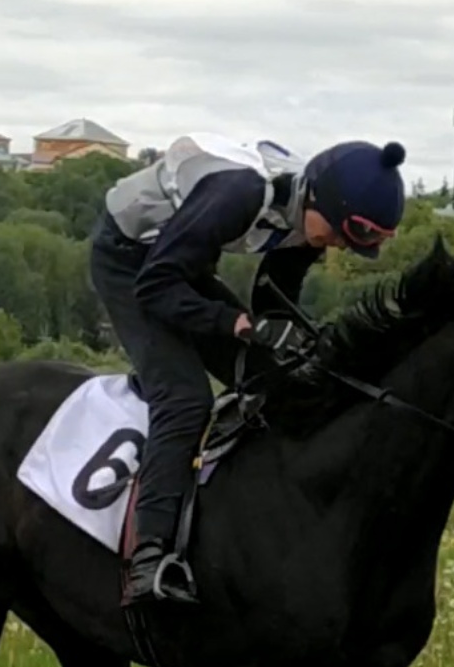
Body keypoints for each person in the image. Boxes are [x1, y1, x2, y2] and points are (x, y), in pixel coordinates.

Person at [87, 133, 407, 605]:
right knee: (184, 399)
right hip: (130, 263)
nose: (335, 247)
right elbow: (156, 288)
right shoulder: (237, 194)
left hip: (180, 261)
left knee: (278, 377)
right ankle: (148, 556)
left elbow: (275, 300)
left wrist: (294, 342)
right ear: (321, 200)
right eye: (338, 234)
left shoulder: (312, 210)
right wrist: (235, 324)